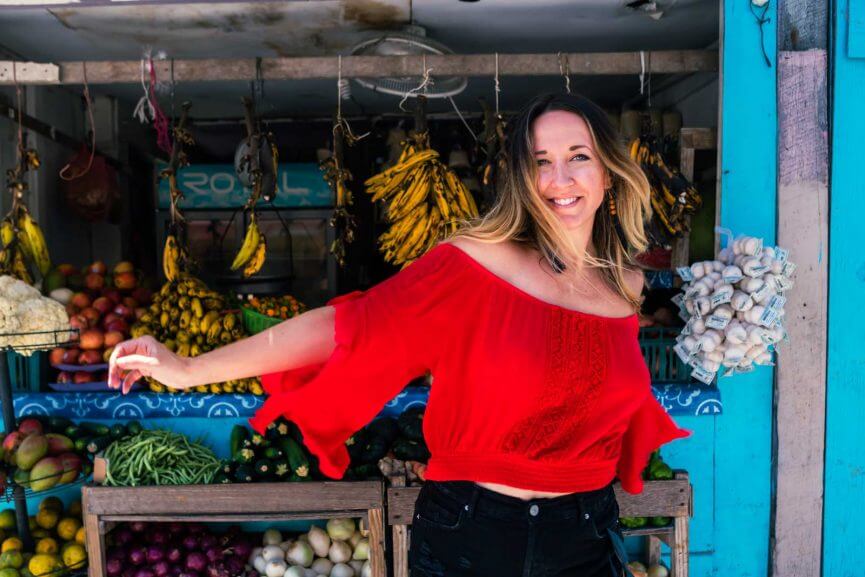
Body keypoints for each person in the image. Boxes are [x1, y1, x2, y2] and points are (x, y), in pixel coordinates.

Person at [108, 93, 690, 577]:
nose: (558, 179)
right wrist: (187, 368)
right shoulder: (471, 265)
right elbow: (346, 325)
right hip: (473, 535)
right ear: (520, 178)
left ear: (610, 173)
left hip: (586, 535)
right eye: (540, 161)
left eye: (577, 156)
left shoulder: (625, 290)